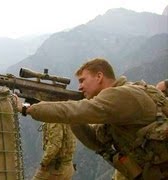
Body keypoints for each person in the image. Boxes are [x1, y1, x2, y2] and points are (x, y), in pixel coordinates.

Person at [14, 58, 168, 179]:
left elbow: (78, 110)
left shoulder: (119, 95)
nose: (80, 87)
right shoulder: (119, 101)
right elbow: (95, 141)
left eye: (82, 80)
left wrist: (26, 108)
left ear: (99, 76)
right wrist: (68, 109)